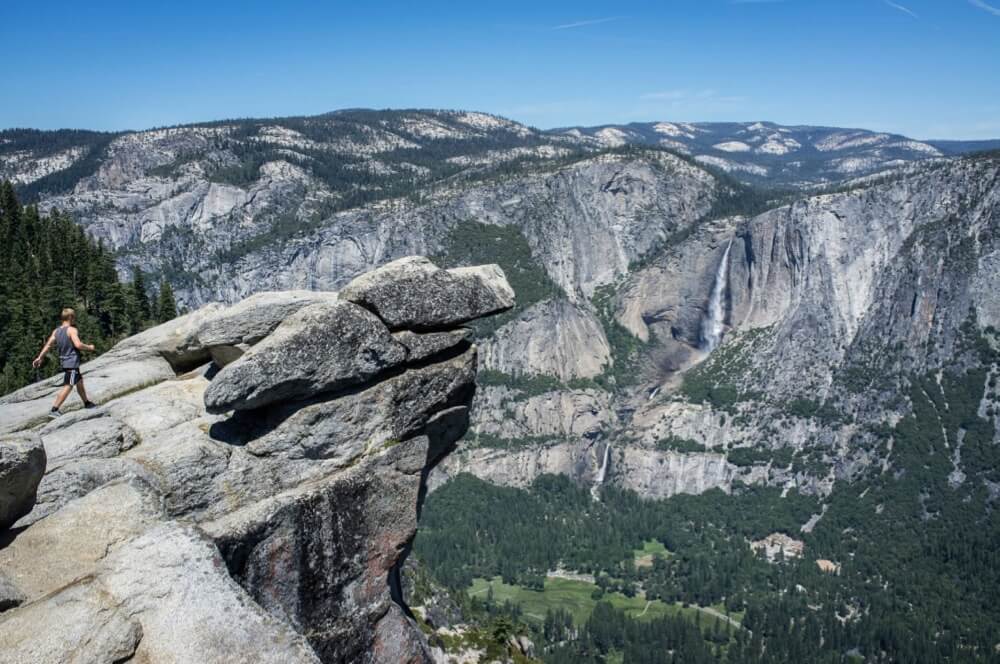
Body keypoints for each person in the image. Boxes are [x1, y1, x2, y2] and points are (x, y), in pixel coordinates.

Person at [32, 308, 98, 417]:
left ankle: (87, 403)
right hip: (71, 362)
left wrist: (40, 357)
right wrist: (90, 347)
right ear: (70, 317)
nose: (75, 319)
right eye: (74, 317)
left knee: (79, 381)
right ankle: (54, 409)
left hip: (64, 361)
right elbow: (78, 345)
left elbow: (48, 345)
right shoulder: (72, 330)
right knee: (69, 385)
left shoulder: (56, 331)